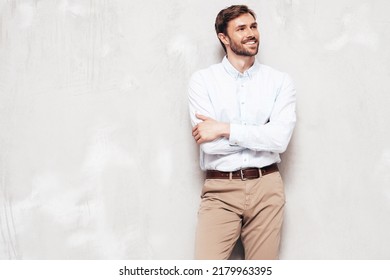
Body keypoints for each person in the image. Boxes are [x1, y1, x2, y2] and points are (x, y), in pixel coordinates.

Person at [188, 5, 296, 260]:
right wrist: (261, 136)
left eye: (253, 26)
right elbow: (210, 146)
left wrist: (224, 128)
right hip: (220, 188)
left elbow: (279, 139)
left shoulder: (280, 82)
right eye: (241, 28)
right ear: (223, 38)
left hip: (266, 188)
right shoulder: (202, 81)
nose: (251, 33)